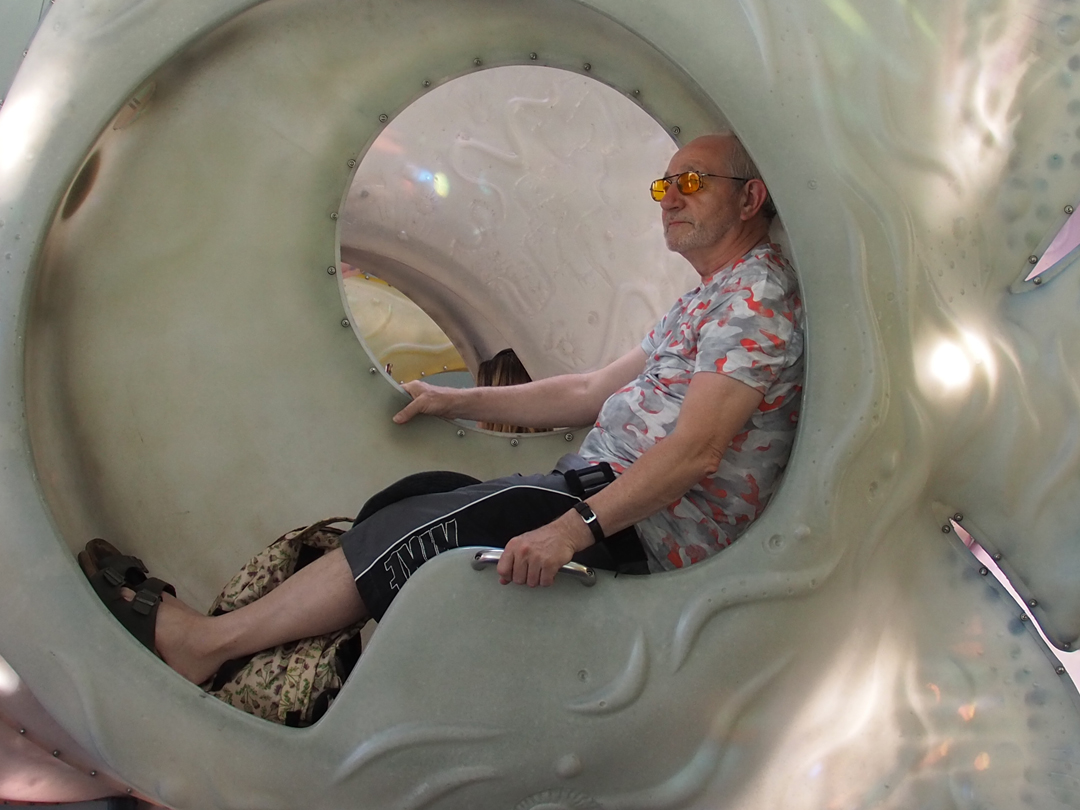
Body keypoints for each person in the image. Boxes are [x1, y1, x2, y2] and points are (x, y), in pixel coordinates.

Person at [97, 132, 804, 686]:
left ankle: (206, 645)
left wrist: (572, 530)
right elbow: (587, 390)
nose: (669, 198)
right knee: (410, 498)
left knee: (429, 528)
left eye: (690, 182)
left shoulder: (756, 298)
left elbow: (697, 451)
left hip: (645, 529)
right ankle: (263, 663)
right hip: (600, 492)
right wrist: (454, 400)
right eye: (662, 184)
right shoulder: (707, 297)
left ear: (750, 198)